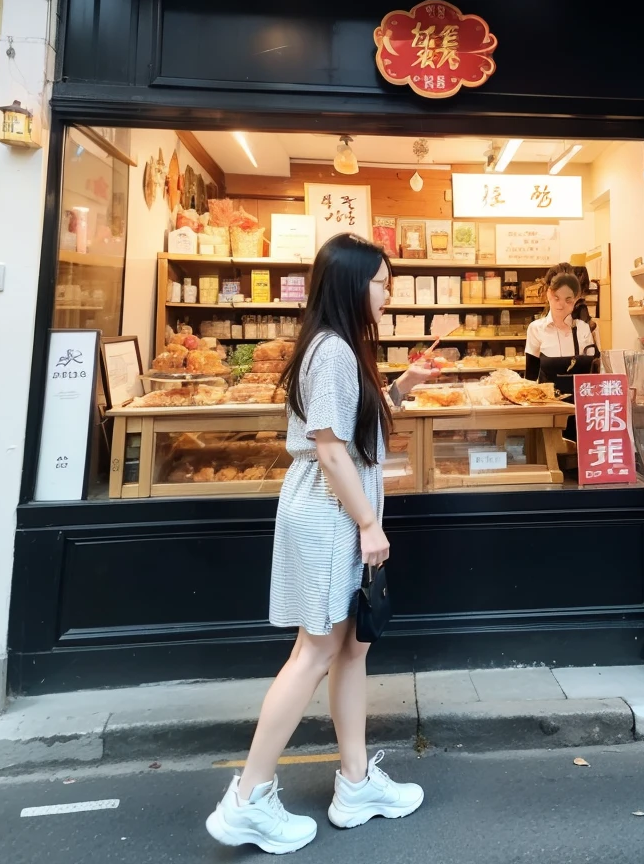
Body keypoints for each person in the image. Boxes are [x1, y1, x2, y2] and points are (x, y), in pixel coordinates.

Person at [206, 232, 440, 854]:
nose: (389, 292)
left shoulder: (337, 348)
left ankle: (356, 782)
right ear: (352, 284)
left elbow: (351, 431)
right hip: (332, 516)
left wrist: (404, 385)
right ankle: (248, 798)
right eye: (383, 281)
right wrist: (369, 523)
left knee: (349, 650)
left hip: (332, 512)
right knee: (314, 653)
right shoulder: (334, 351)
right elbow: (332, 450)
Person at [524, 265, 599, 385]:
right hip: (547, 401)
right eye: (556, 297)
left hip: (578, 400)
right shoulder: (536, 329)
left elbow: (594, 373)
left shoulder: (584, 328)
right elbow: (530, 377)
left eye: (568, 299)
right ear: (549, 294)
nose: (561, 304)